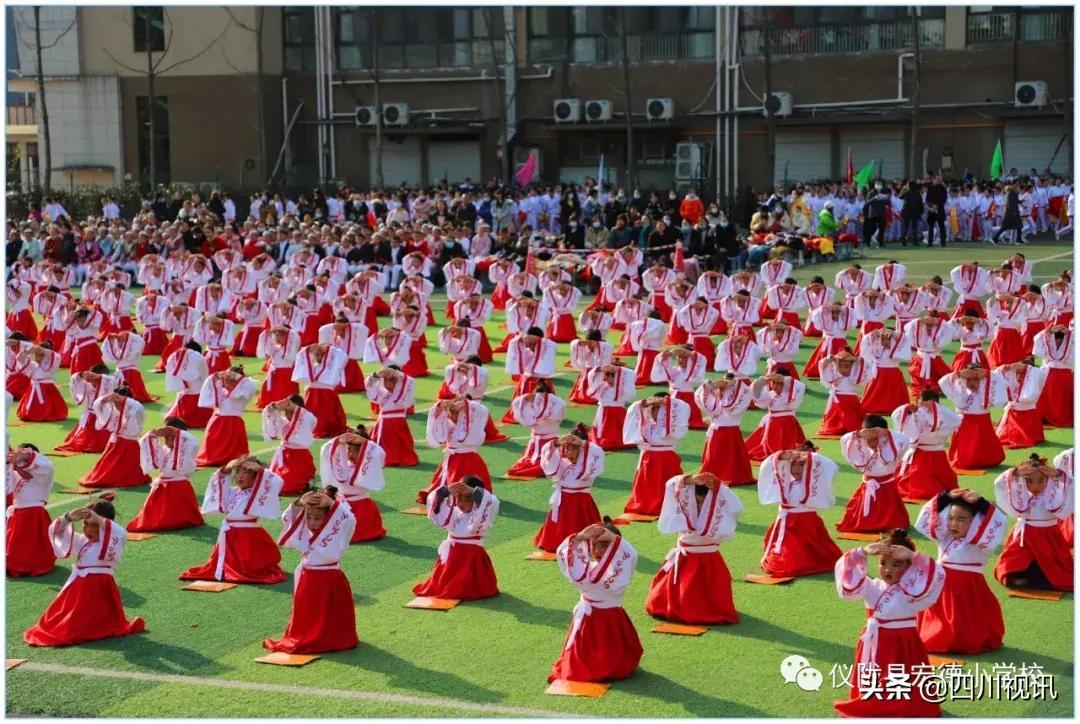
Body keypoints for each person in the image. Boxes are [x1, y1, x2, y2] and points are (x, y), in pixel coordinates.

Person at [833, 529, 946, 717]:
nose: (887, 570)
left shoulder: (913, 591)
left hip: (903, 644)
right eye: (883, 563)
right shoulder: (871, 586)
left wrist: (913, 555)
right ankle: (872, 700)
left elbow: (935, 573)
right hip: (874, 640)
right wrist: (861, 552)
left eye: (897, 564)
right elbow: (847, 579)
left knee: (904, 680)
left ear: (910, 568)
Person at [23, 500, 146, 647]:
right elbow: (57, 532)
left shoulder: (114, 536)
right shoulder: (82, 541)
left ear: (104, 524)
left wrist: (99, 520)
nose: (88, 530)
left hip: (97, 590)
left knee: (72, 628)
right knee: (52, 621)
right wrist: (68, 517)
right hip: (77, 590)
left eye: (94, 525)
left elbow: (119, 531)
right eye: (85, 524)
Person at [263, 488, 359, 654]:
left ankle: (332, 637)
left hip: (329, 577)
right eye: (308, 517)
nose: (312, 522)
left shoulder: (337, 527)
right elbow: (289, 518)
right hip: (309, 577)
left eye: (317, 518)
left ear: (329, 518)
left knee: (331, 613)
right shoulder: (305, 531)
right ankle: (308, 634)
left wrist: (331, 503)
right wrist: (301, 502)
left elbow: (349, 519)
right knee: (308, 612)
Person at [914, 489, 1008, 654]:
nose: (953, 524)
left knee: (965, 626)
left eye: (961, 519)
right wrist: (945, 497)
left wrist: (981, 503)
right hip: (940, 585)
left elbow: (999, 521)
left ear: (976, 522)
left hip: (967, 588)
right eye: (950, 518)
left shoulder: (980, 542)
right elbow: (925, 519)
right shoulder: (944, 538)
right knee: (938, 623)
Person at [646, 472, 742, 625]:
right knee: (682, 589)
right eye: (697, 501)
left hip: (708, 556)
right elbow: (670, 485)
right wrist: (691, 480)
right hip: (686, 555)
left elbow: (737, 506)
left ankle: (707, 609)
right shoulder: (685, 502)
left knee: (708, 590)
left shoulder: (718, 502)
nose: (699, 505)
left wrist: (719, 486)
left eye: (703, 501)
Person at [179, 457, 286, 584]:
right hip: (229, 532)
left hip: (247, 535)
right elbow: (220, 486)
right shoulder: (234, 492)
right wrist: (226, 470)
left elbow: (275, 482)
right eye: (238, 472)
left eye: (246, 472)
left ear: (256, 477)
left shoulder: (257, 493)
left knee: (247, 564)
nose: (240, 476)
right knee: (227, 561)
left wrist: (260, 470)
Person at [758, 444, 842, 578]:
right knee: (787, 556)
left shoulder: (814, 484)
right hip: (786, 524)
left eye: (802, 464)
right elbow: (767, 466)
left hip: (806, 524)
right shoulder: (785, 481)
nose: (796, 469)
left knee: (802, 559)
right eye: (792, 464)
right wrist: (780, 455)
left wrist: (810, 456)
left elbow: (832, 467)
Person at [992, 455, 1073, 591]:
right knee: (1013, 565)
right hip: (1023, 539)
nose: (1035, 486)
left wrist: (1058, 475)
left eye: (1041, 481)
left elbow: (1072, 488)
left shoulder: (1053, 496)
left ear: (1048, 479)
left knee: (1053, 568)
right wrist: (1015, 473)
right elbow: (1000, 484)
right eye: (1029, 481)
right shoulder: (1021, 497)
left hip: (1048, 538)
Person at [413, 476, 499, 601]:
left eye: (468, 498)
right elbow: (435, 509)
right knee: (442, 584)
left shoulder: (480, 513)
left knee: (471, 587)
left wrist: (474, 492)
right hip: (452, 555)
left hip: (472, 557)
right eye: (458, 498)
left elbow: (491, 502)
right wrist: (446, 491)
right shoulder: (453, 512)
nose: (461, 503)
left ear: (476, 499)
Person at [534, 425, 604, 553]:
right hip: (562, 503)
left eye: (574, 449)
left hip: (581, 504)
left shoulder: (587, 464)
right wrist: (556, 443)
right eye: (567, 448)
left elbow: (598, 453)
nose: (569, 453)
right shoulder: (563, 462)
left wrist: (582, 443)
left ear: (582, 449)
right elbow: (547, 459)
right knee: (557, 535)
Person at [836, 417, 911, 533]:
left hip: (887, 489)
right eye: (868, 439)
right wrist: (858, 435)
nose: (872, 443)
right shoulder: (862, 451)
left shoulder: (892, 449)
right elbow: (844, 441)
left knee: (894, 522)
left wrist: (886, 432)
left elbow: (905, 439)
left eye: (876, 439)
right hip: (866, 488)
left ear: (884, 437)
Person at [129, 418, 204, 532]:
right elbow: (144, 441)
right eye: (166, 437)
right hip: (162, 487)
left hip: (179, 487)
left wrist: (175, 431)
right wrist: (154, 433)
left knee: (176, 518)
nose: (168, 439)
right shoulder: (163, 449)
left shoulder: (187, 449)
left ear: (181, 438)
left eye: (173, 437)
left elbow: (192, 441)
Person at [622, 393, 690, 516]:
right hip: (648, 457)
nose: (656, 411)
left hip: (667, 457)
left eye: (659, 408)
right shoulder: (645, 420)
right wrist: (644, 403)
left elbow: (684, 407)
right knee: (647, 485)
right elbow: (633, 410)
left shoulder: (672, 419)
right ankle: (645, 504)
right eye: (654, 407)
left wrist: (668, 402)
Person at [319, 427, 387, 543]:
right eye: (348, 449)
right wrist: (337, 440)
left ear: (366, 453)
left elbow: (380, 454)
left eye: (357, 451)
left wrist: (365, 442)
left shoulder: (369, 466)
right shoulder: (342, 466)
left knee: (361, 534)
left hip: (363, 508)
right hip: (342, 506)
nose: (350, 454)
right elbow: (326, 450)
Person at [419, 397, 492, 504]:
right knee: (442, 490)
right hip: (451, 461)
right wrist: (440, 406)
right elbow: (436, 419)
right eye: (451, 412)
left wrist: (466, 404)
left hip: (467, 461)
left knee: (462, 489)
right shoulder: (448, 425)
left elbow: (482, 411)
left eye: (457, 413)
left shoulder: (470, 427)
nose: (453, 416)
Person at [892, 392, 961, 500]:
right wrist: (907, 408)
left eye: (929, 404)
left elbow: (958, 420)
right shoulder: (915, 416)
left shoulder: (943, 416)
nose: (924, 407)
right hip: (920, 454)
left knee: (945, 484)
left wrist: (935, 408)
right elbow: (896, 415)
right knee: (917, 481)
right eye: (921, 404)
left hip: (937, 454)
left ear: (937, 404)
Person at [79, 387, 151, 488]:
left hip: (130, 444)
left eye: (119, 402)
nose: (117, 405)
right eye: (115, 402)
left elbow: (137, 406)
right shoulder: (113, 408)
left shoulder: (135, 409)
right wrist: (107, 398)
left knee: (125, 472)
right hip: (115, 442)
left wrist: (122, 400)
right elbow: (98, 405)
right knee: (105, 469)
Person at [939, 366, 1006, 471]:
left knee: (985, 445)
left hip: (983, 422)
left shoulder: (986, 392)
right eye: (969, 379)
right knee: (966, 451)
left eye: (976, 379)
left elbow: (1001, 381)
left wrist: (986, 373)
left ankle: (986, 460)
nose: (972, 383)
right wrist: (959, 374)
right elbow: (943, 382)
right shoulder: (960, 392)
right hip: (965, 424)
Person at [6, 445, 56, 577]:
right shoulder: (15, 473)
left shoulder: (45, 473)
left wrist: (26, 455)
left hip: (34, 516)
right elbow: (7, 489)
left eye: (22, 461)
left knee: (31, 555)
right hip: (16, 517)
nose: (20, 465)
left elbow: (47, 466)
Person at [697, 375, 754, 486]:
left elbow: (735, 409)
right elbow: (699, 396)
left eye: (727, 383)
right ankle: (713, 475)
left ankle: (733, 476)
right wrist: (712, 385)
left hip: (731, 431)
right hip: (716, 431)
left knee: (733, 460)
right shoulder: (715, 395)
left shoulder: (739, 395)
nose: (723, 386)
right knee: (713, 458)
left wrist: (734, 384)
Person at [195, 368, 259, 468]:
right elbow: (208, 385)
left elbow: (251, 385)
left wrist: (236, 376)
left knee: (234, 453)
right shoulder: (220, 391)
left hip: (233, 423)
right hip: (216, 421)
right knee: (212, 447)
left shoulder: (243, 392)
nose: (228, 383)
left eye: (232, 381)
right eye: (226, 380)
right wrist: (218, 375)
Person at [505, 382, 566, 479]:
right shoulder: (531, 405)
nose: (539, 400)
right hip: (535, 442)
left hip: (551, 442)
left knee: (546, 464)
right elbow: (516, 404)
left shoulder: (555, 405)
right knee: (529, 462)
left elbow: (553, 416)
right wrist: (527, 397)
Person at [55, 365, 120, 453]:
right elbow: (75, 380)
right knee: (81, 441)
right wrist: (82, 375)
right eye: (91, 380)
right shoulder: (87, 386)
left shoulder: (109, 385)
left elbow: (112, 381)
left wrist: (97, 377)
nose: (93, 382)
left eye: (97, 380)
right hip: (89, 420)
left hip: (105, 418)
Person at [261, 395, 318, 496]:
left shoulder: (307, 420)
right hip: (284, 456)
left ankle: (306, 481)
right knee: (272, 484)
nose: (289, 413)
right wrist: (273, 406)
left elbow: (309, 417)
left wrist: (292, 406)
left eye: (292, 411)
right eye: (286, 411)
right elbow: (272, 428)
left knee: (287, 486)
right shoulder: (283, 421)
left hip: (300, 458)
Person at [745, 371, 806, 462]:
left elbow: (801, 387)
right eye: (773, 383)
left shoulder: (790, 395)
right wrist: (760, 384)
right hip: (772, 425)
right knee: (770, 443)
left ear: (785, 384)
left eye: (779, 383)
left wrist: (784, 379)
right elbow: (760, 402)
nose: (775, 386)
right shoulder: (770, 395)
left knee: (790, 444)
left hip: (787, 424)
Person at [365, 367, 419, 467]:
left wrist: (396, 373)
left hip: (398, 425)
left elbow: (410, 381)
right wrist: (377, 375)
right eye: (385, 380)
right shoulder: (381, 392)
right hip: (382, 426)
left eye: (392, 379)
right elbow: (369, 385)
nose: (387, 383)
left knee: (403, 448)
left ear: (398, 380)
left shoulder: (404, 394)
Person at [293, 342, 348, 439]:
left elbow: (342, 356)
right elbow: (300, 355)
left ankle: (325, 428)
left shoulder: (331, 366)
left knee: (327, 414)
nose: (318, 357)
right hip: (312, 394)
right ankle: (313, 427)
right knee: (312, 413)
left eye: (321, 354)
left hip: (327, 394)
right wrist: (309, 348)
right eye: (316, 354)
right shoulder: (311, 366)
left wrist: (327, 348)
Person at [502, 328, 557, 424]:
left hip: (542, 381)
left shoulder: (547, 348)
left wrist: (532, 338)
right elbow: (515, 343)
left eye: (533, 343)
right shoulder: (525, 351)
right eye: (529, 343)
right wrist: (524, 338)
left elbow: (549, 343)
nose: (530, 345)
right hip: (526, 381)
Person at [818, 350, 875, 437]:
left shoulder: (855, 377)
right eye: (839, 366)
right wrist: (829, 359)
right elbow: (824, 367)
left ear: (853, 367)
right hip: (837, 401)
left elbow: (866, 366)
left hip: (851, 402)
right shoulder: (835, 376)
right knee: (834, 421)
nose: (843, 369)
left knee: (853, 421)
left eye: (847, 366)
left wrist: (857, 360)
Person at [650, 346, 708, 430]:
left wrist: (686, 352)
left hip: (688, 400)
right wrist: (667, 353)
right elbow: (662, 361)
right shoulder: (674, 370)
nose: (680, 360)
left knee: (688, 421)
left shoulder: (692, 372)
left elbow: (699, 359)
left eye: (684, 357)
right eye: (679, 357)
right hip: (673, 398)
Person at [995, 359, 1047, 449]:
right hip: (1012, 415)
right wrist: (1003, 369)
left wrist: (1025, 367)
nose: (1018, 376)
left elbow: (1040, 374)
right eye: (1016, 373)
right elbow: (995, 376)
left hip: (1028, 416)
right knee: (1002, 436)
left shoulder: (1036, 377)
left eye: (1022, 373)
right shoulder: (1013, 382)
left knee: (1021, 437)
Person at [586, 363, 637, 451]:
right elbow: (592, 378)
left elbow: (632, 374)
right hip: (602, 414)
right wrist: (599, 368)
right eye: (607, 375)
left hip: (617, 414)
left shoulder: (622, 390)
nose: (609, 379)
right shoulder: (602, 387)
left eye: (612, 376)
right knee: (600, 435)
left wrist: (617, 368)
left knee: (616, 435)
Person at [163, 341, 214, 429]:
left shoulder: (174, 358)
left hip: (183, 397)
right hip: (198, 399)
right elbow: (205, 378)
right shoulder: (199, 359)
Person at [904, 314, 956, 399]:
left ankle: (934, 402)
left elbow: (951, 330)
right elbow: (907, 327)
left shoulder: (939, 331)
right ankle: (920, 402)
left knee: (934, 384)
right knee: (918, 385)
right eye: (927, 324)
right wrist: (920, 321)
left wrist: (939, 321)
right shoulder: (919, 330)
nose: (929, 326)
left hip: (934, 360)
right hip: (920, 360)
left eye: (931, 324)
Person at [15, 342, 67, 422]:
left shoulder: (52, 365)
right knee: (30, 411)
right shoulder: (33, 365)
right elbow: (20, 359)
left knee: (50, 409)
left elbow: (56, 356)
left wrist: (43, 350)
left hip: (48, 390)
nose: (38, 357)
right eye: (36, 355)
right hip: (33, 390)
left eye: (41, 355)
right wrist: (26, 351)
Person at [1033, 323, 1073, 428]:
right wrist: (1050, 330)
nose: (1058, 341)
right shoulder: (1047, 341)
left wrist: (1070, 333)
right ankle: (1046, 416)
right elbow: (1037, 339)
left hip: (1064, 373)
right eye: (1056, 338)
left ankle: (1061, 417)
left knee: (1062, 400)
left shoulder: (1071, 340)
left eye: (1060, 338)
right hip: (1048, 373)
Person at [802, 303, 857, 380]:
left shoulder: (844, 322)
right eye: (833, 312)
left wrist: (842, 308)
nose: (835, 314)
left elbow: (853, 315)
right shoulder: (826, 320)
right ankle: (821, 373)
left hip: (839, 344)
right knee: (822, 358)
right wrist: (828, 307)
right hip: (826, 343)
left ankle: (838, 373)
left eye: (837, 312)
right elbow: (816, 314)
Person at [255, 326, 301, 409]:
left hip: (286, 374)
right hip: (274, 374)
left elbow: (295, 338)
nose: (278, 337)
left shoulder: (292, 348)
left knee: (284, 392)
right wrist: (268, 335)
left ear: (288, 336)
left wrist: (287, 330)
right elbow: (267, 351)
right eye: (276, 334)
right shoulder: (275, 348)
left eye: (282, 335)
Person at [628, 309, 667, 387]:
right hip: (657, 349)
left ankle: (646, 378)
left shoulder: (646, 325)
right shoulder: (661, 325)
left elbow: (636, 328)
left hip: (647, 350)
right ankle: (655, 379)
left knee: (644, 370)